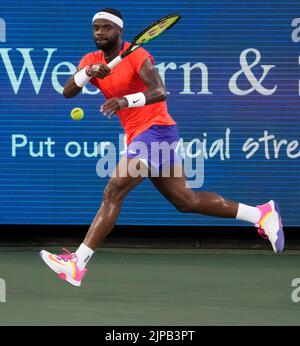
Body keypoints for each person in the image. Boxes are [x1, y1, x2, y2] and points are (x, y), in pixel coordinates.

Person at [40, 8, 284, 287]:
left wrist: (125, 101)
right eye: (96, 28)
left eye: (106, 28)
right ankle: (260, 214)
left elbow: (160, 91)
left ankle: (78, 262)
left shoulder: (137, 55)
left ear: (119, 31)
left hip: (155, 130)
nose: (100, 33)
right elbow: (68, 92)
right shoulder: (91, 60)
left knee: (114, 188)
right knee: (185, 201)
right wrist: (87, 72)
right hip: (145, 135)